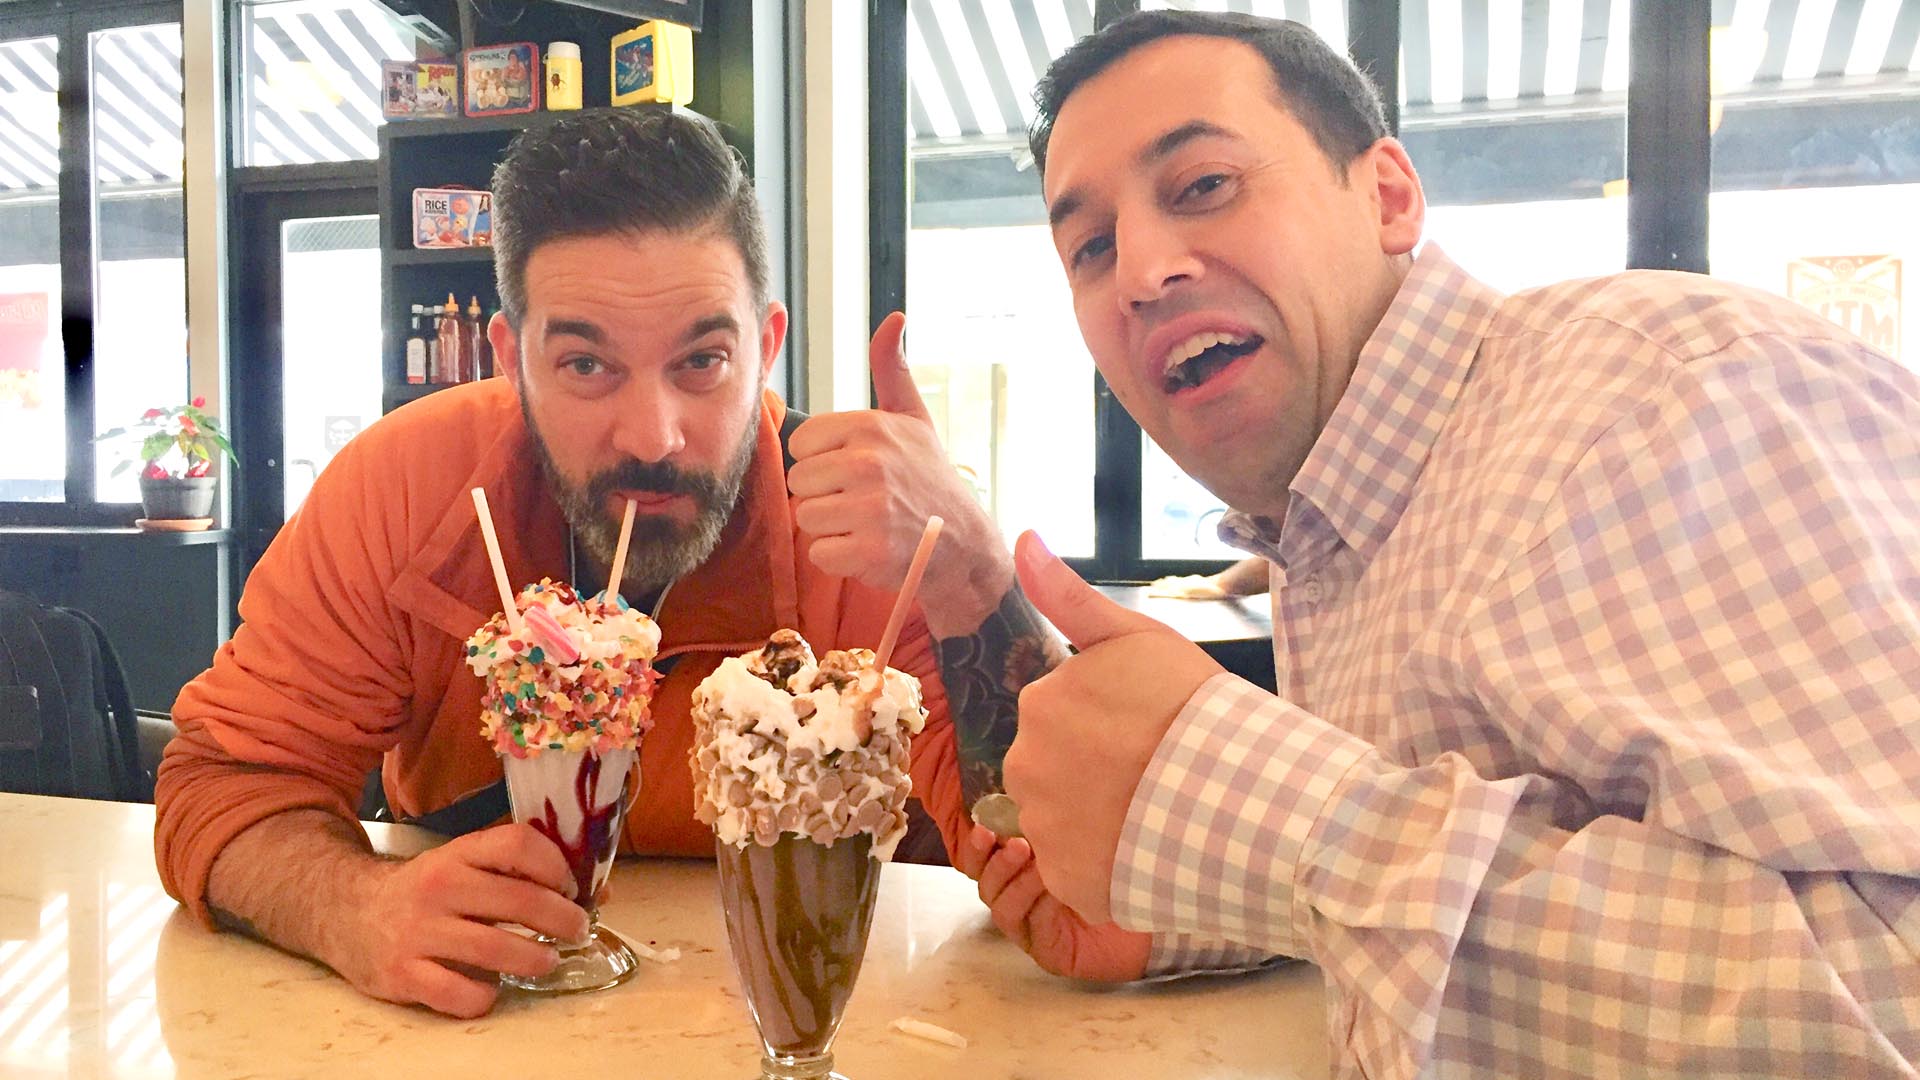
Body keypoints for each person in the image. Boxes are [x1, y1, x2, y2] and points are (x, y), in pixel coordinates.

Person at [928, 10, 1919, 1078]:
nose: (1139, 271)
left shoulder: (1668, 398)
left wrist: (1244, 815)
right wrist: (1202, 902)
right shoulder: (1341, 527)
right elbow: (1544, 857)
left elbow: (1890, 990)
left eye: (1204, 185)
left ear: (1389, 196)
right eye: (1091, 245)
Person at [153, 110, 1003, 1019]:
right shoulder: (407, 487)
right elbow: (223, 784)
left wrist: (981, 579)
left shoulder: (869, 546)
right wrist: (353, 906)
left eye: (704, 361)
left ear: (766, 348)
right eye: (586, 363)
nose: (653, 435)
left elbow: (1059, 874)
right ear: (511, 358)